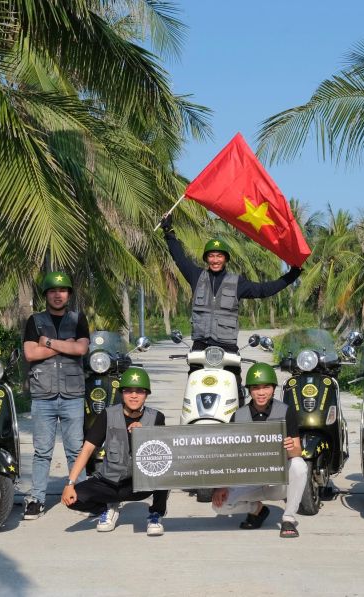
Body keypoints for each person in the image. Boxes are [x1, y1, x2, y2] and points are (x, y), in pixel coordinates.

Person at [160, 214, 300, 387]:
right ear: (206, 259)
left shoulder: (237, 282)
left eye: (219, 256)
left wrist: (292, 275)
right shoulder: (197, 276)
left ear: (225, 259)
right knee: (194, 385)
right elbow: (179, 258)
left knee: (234, 387)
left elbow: (264, 290)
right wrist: (168, 231)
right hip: (200, 345)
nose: (215, 260)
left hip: (226, 347)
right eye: (211, 256)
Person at [61, 367, 168, 536]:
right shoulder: (108, 414)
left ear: (146, 394)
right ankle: (108, 507)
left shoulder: (156, 417)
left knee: (164, 475)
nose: (134, 396)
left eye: (140, 391)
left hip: (139, 484)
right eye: (128, 391)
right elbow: (87, 448)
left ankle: (156, 514)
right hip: (109, 482)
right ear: (121, 393)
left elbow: (164, 455)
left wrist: (145, 433)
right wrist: (70, 483)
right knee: (72, 499)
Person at [211, 362, 307, 538]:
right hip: (250, 479)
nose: (261, 392)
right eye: (256, 388)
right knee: (219, 505)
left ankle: (288, 518)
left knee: (299, 465)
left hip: (277, 481)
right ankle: (257, 509)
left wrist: (290, 448)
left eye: (266, 387)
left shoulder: (286, 411)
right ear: (249, 390)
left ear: (273, 388)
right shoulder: (238, 416)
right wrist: (221, 485)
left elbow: (297, 451)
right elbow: (229, 455)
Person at [22, 271, 90, 520]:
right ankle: (37, 498)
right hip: (43, 394)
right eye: (53, 291)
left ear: (69, 294)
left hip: (72, 394)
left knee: (75, 449)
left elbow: (81, 348)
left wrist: (48, 344)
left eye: (62, 290)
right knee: (42, 451)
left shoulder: (78, 318)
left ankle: (80, 495)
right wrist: (65, 346)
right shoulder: (35, 320)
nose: (58, 295)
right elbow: (30, 353)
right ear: (46, 295)